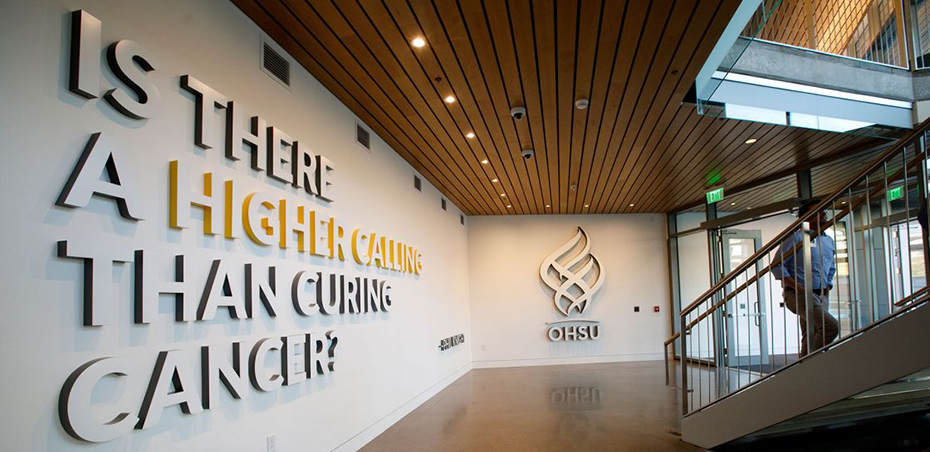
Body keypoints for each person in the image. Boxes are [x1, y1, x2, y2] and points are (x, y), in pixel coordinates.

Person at [771, 200, 839, 358]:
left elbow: (831, 266)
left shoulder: (828, 240)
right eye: (817, 212)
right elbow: (776, 265)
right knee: (830, 327)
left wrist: (828, 284)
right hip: (801, 294)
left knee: (811, 333)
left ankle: (805, 367)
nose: (823, 214)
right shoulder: (796, 237)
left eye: (823, 211)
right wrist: (798, 287)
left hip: (822, 293)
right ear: (806, 217)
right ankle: (810, 362)